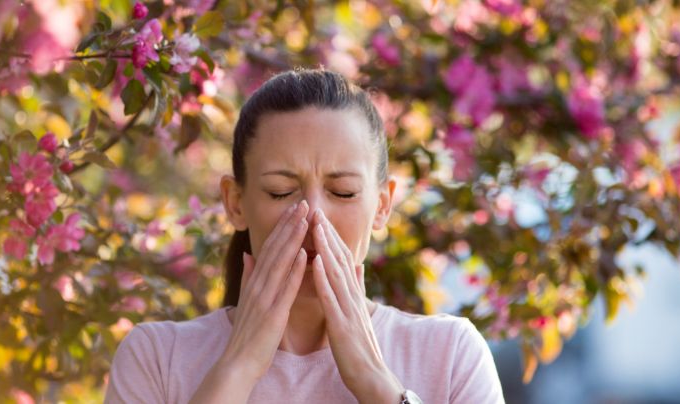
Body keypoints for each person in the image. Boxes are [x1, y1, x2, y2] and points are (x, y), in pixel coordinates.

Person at [104, 68, 505, 404]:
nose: (313, 215)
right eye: (281, 192)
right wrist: (238, 367)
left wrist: (374, 381)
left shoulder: (450, 354)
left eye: (343, 192)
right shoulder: (157, 357)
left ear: (382, 205)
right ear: (236, 202)